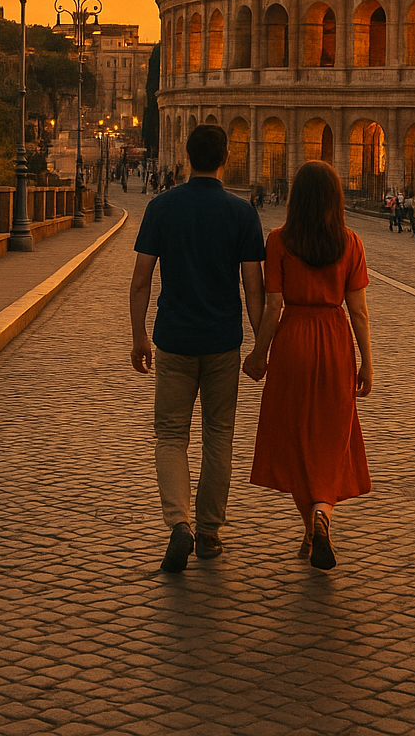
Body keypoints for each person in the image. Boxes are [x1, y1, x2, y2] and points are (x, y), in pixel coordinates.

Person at [130, 124, 265, 573]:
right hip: (223, 342)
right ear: (226, 157)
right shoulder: (242, 213)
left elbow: (141, 280)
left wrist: (138, 336)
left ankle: (178, 523)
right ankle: (208, 531)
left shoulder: (161, 207)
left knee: (170, 435)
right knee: (219, 436)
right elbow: (252, 290)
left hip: (174, 339)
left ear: (187, 156)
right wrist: (260, 346)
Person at [245, 161, 372, 570]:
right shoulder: (350, 242)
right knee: (331, 438)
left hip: (293, 340)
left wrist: (259, 353)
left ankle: (310, 524)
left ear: (295, 198)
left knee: (297, 436)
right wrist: (367, 362)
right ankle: (322, 515)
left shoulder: (279, 240)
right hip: (335, 341)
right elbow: (359, 312)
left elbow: (274, 305)